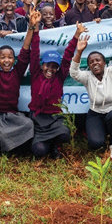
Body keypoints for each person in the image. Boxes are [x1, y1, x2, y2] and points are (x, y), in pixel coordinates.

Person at [69, 4, 112, 159]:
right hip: (95, 114)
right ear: (89, 65)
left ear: (104, 63)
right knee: (95, 144)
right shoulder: (87, 77)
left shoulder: (111, 72)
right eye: (91, 62)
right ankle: (102, 137)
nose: (95, 63)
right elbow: (73, 72)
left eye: (98, 60)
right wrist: (79, 51)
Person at [0, 0, 35, 153]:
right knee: (2, 135)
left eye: (10, 57)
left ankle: (8, 145)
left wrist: (31, 26)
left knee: (28, 125)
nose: (7, 60)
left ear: (14, 59)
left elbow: (25, 49)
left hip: (13, 115)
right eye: (3, 57)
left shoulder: (17, 71)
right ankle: (6, 145)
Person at [28, 20, 80, 158]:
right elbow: (34, 50)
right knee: (39, 151)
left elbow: (68, 56)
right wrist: (36, 29)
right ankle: (47, 145)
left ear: (58, 68)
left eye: (54, 66)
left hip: (55, 118)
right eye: (47, 65)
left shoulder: (60, 77)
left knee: (65, 133)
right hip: (38, 118)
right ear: (41, 65)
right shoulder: (35, 74)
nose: (50, 69)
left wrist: (76, 36)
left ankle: (55, 145)